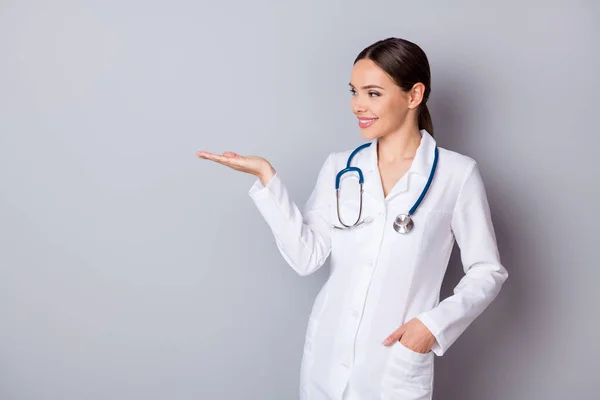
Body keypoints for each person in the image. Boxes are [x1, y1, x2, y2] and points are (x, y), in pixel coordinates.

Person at [197, 37, 508, 400]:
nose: (358, 105)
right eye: (354, 91)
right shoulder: (340, 168)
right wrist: (266, 178)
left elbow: (487, 271)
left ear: (413, 95)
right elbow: (306, 256)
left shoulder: (456, 174)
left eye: (373, 93)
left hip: (394, 365)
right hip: (327, 359)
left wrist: (432, 327)